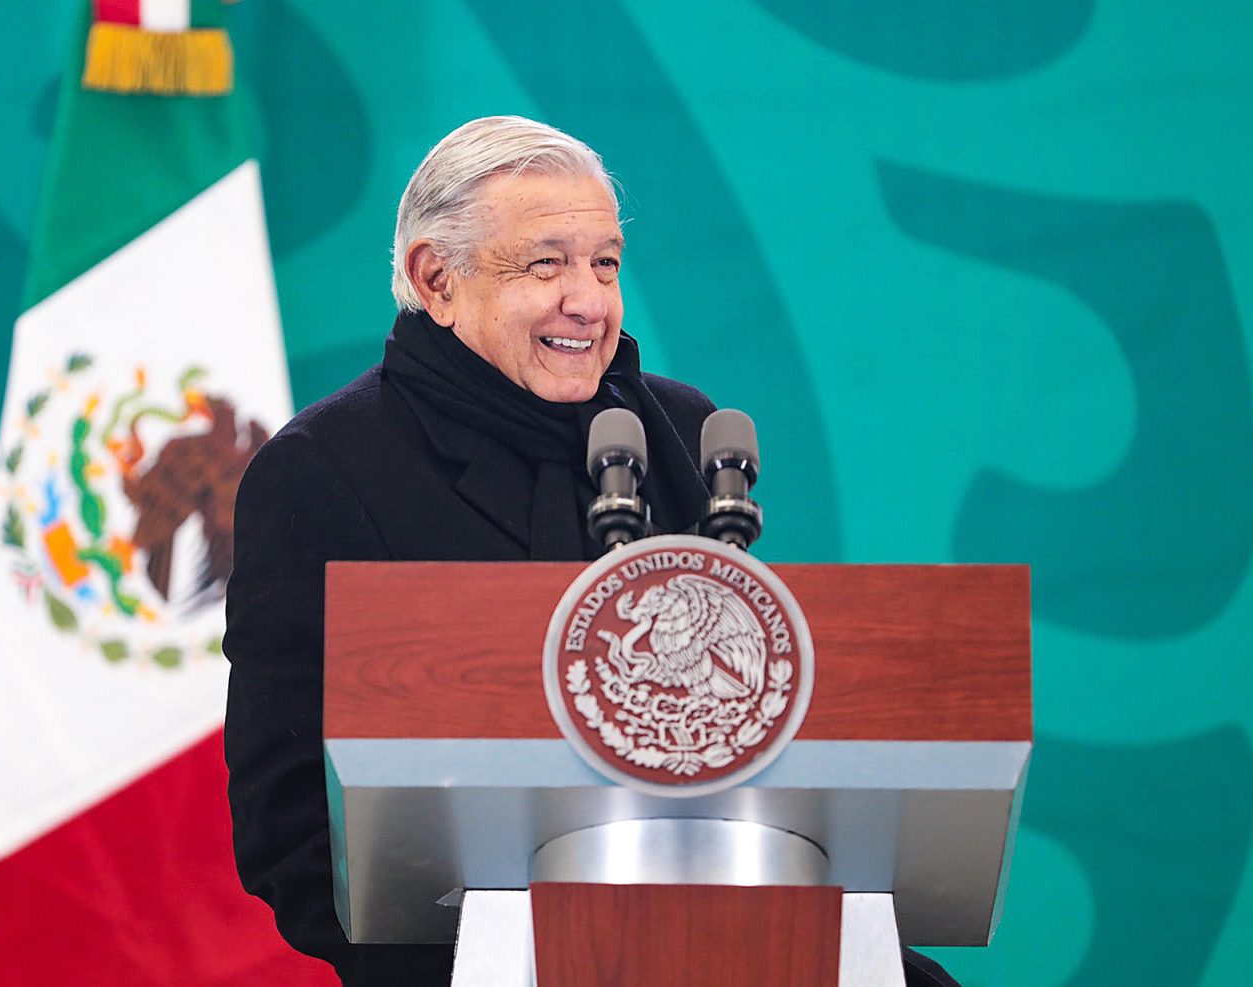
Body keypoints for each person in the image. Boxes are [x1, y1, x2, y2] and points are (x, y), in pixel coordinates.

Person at [223, 116, 960, 987]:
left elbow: (759, 730)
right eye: (547, 264)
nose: (590, 299)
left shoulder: (681, 432)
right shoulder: (325, 472)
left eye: (605, 263)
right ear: (436, 279)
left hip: (729, 930)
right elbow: (291, 827)